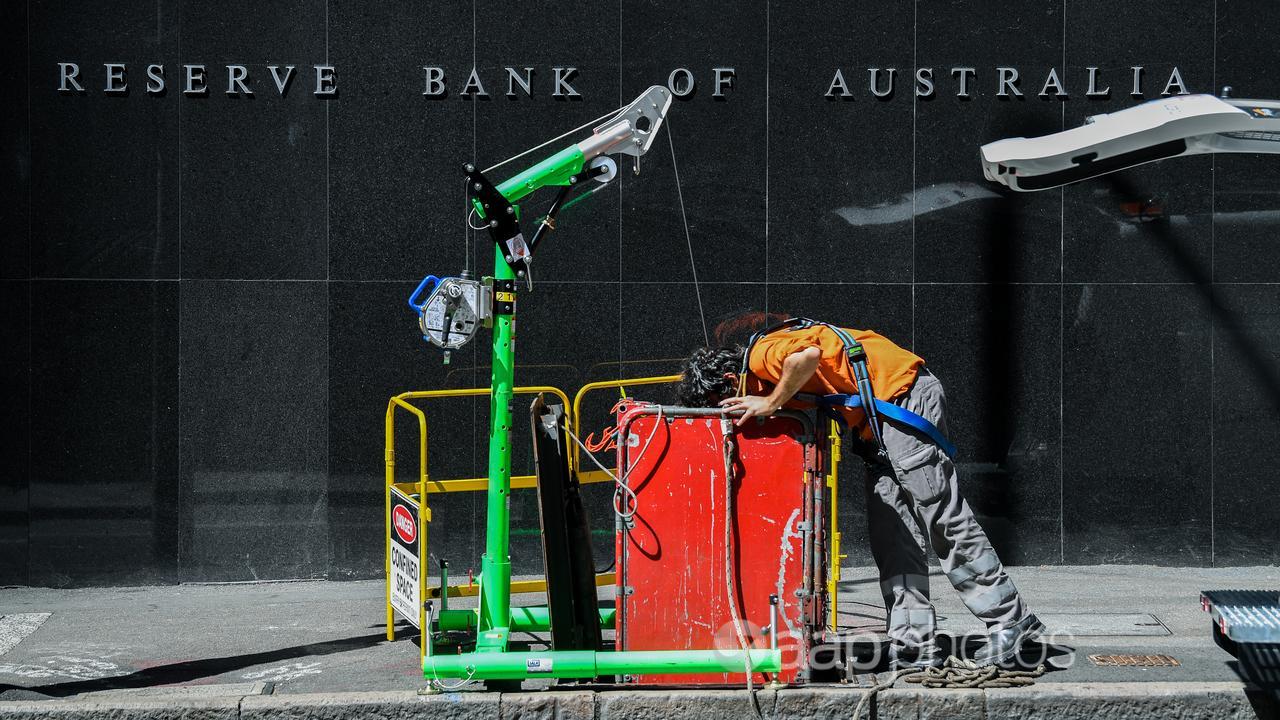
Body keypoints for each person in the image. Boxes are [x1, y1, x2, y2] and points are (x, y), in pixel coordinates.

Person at [676, 318, 1043, 668]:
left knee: (941, 516)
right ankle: (913, 641)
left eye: (726, 406)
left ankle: (1010, 620)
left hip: (903, 399)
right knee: (892, 533)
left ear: (729, 379)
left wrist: (770, 402)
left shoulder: (761, 356)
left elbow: (807, 357)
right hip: (876, 423)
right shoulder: (765, 365)